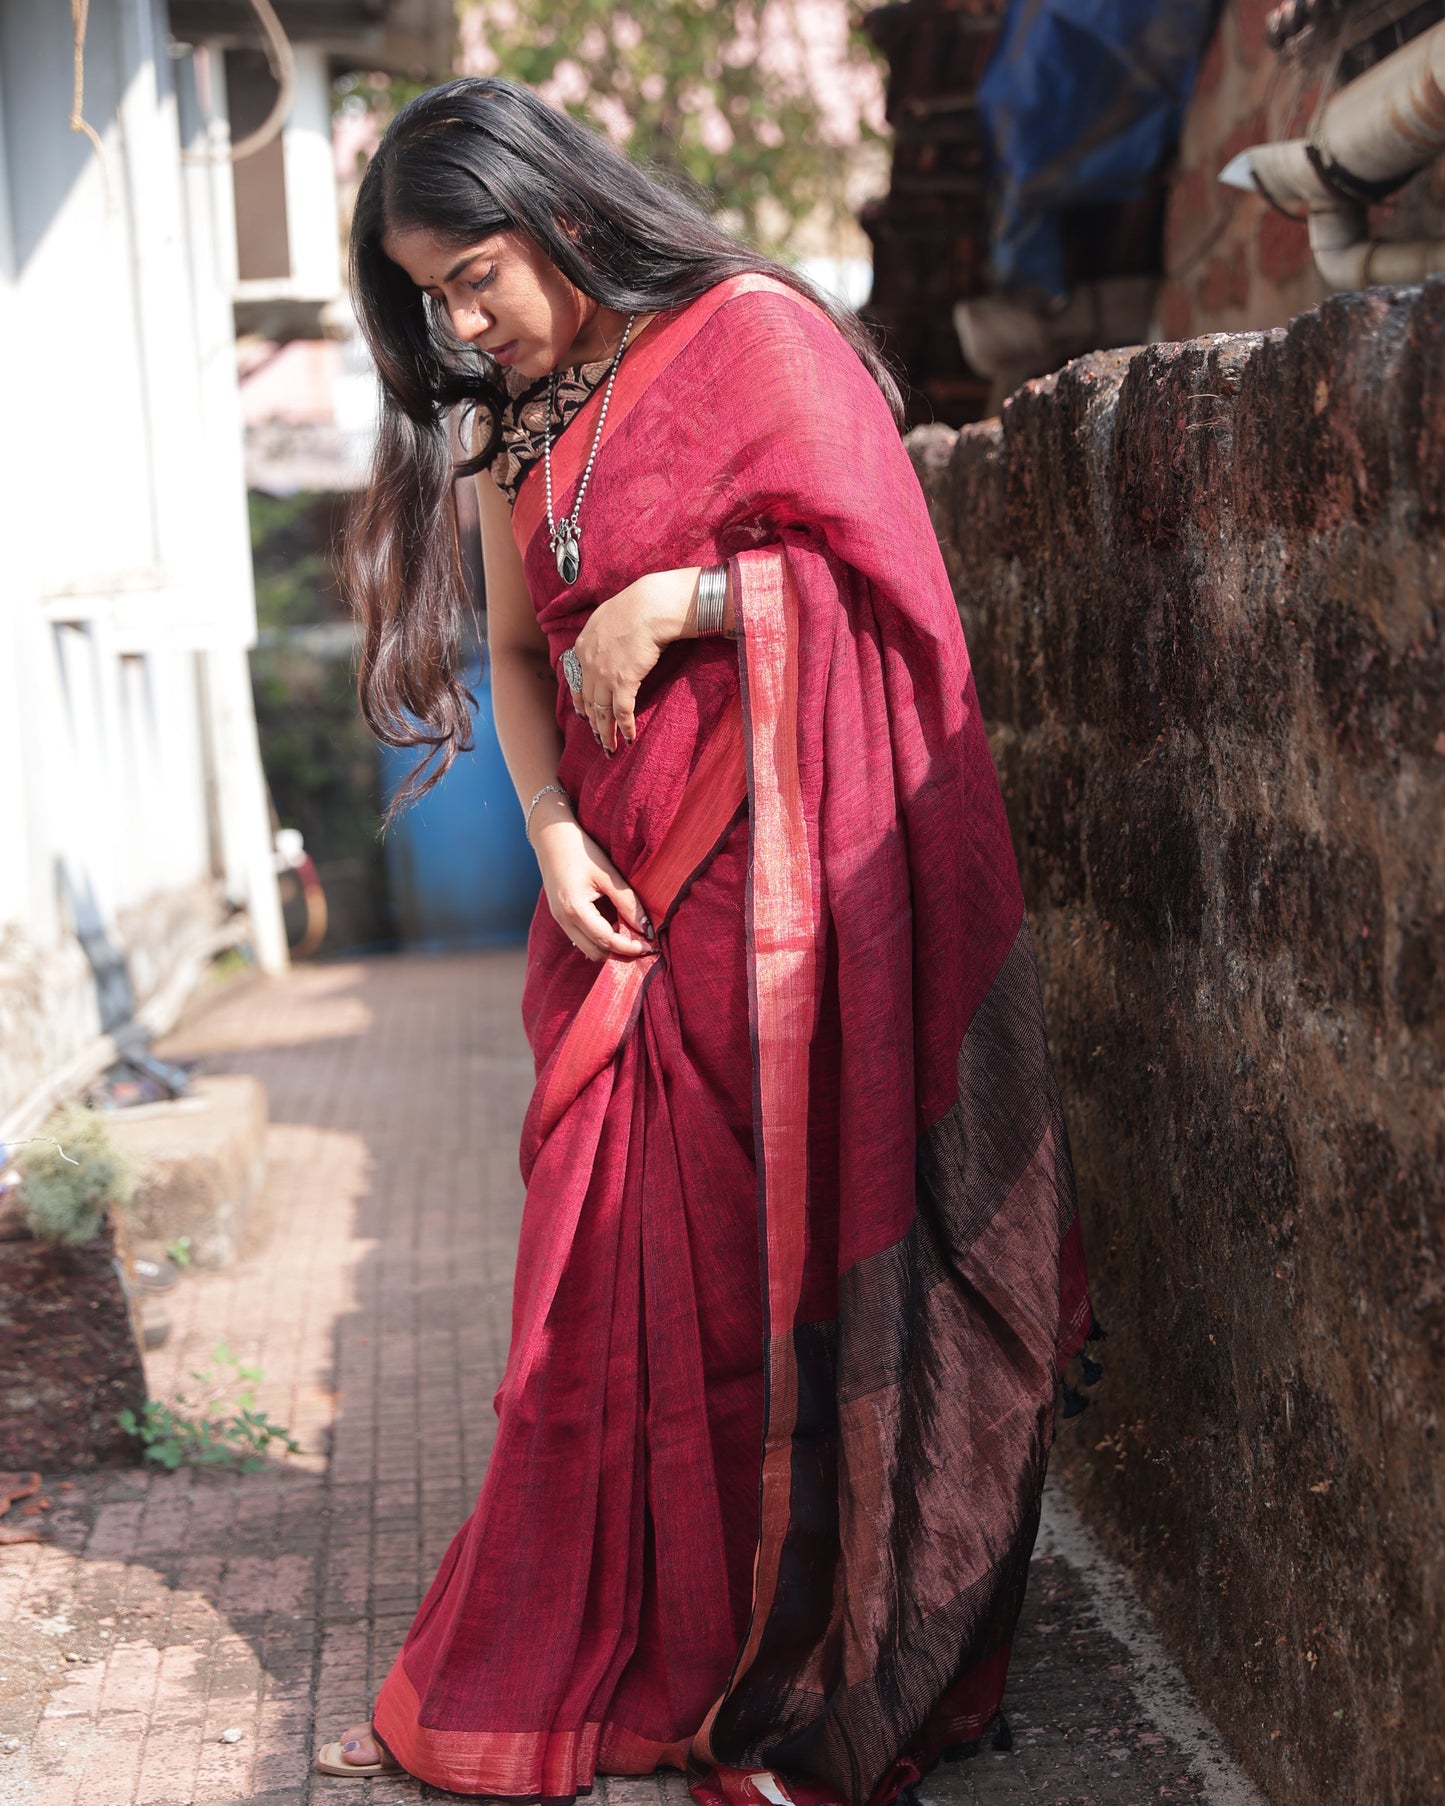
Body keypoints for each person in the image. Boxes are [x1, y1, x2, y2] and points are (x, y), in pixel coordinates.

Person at [316, 76, 1095, 1805]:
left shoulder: (750, 338)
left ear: (557, 212)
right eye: (431, 299)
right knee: (598, 1292)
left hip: (788, 902)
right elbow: (513, 654)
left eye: (474, 278)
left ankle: (811, 1638)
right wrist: (548, 827)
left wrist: (684, 598)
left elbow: (885, 584)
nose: (463, 325)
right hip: (618, 910)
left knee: (782, 1273)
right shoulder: (511, 424)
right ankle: (656, 1642)